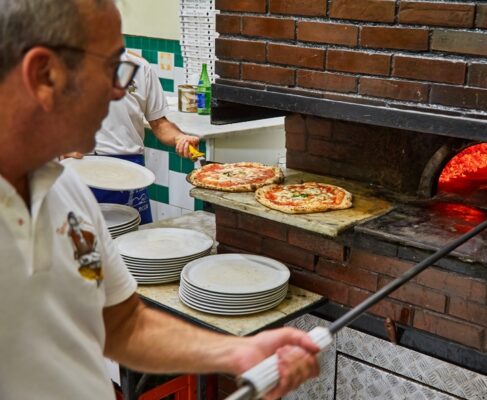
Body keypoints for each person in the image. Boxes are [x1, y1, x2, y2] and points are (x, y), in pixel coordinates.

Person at [0, 1, 319, 399]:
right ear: (44, 74)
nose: (121, 89)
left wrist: (238, 352)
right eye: (113, 68)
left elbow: (124, 324)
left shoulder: (66, 191)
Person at [67, 50, 200, 224]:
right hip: (78, 171)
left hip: (129, 173)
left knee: (135, 243)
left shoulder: (139, 67)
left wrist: (179, 138)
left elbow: (159, 124)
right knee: (81, 246)